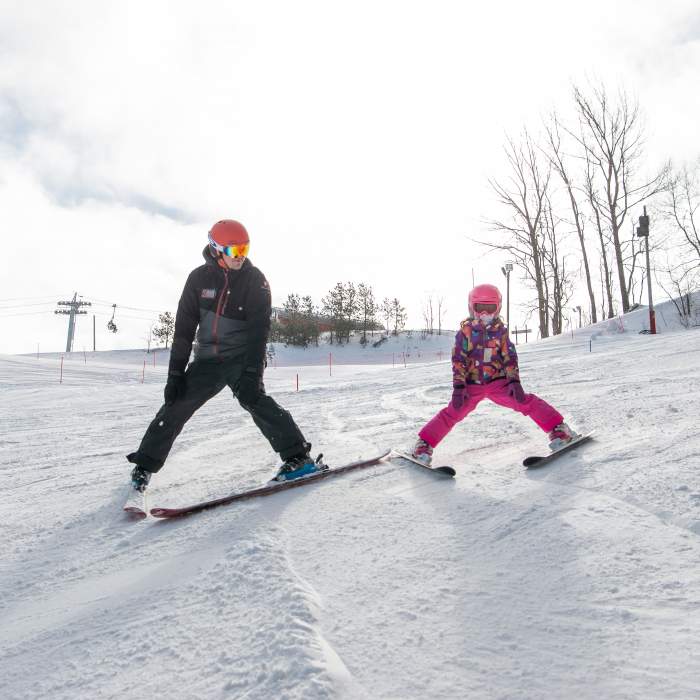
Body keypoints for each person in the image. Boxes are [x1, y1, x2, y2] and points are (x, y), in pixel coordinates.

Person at [127, 219, 323, 492]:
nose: (240, 257)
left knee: (254, 399)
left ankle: (299, 458)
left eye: (245, 249)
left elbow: (259, 331)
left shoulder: (256, 281)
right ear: (216, 249)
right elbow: (183, 330)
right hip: (207, 360)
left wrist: (253, 372)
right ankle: (144, 466)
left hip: (242, 358)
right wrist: (174, 375)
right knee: (176, 405)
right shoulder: (198, 280)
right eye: (234, 251)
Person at [412, 283, 579, 465]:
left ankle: (559, 429)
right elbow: (458, 360)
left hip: (498, 383)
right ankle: (424, 444)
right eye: (480, 308)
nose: (484, 313)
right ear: (471, 308)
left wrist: (514, 382)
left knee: (525, 401)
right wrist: (459, 387)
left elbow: (509, 357)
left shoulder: (501, 333)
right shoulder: (465, 333)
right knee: (453, 412)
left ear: (498, 308)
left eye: (490, 308)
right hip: (472, 385)